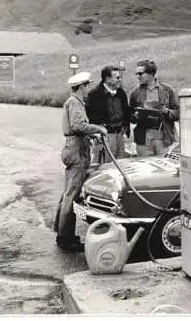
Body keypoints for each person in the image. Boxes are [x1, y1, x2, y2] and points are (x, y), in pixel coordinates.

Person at [53, 72, 109, 252]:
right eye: (87, 86)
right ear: (82, 86)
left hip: (73, 147)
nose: (88, 89)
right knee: (71, 194)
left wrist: (90, 133)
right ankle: (65, 239)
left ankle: (63, 234)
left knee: (67, 193)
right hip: (77, 151)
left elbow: (76, 127)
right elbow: (78, 126)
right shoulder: (75, 103)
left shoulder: (74, 102)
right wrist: (98, 129)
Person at [129, 60, 179, 156]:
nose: (138, 76)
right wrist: (135, 116)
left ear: (151, 73)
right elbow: (130, 116)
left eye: (140, 74)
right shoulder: (135, 93)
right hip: (143, 138)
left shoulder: (168, 90)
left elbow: (178, 113)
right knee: (144, 166)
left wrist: (166, 111)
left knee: (165, 166)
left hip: (163, 136)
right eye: (137, 74)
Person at [86, 65, 130, 163]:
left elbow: (126, 111)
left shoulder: (121, 93)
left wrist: (125, 126)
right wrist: (96, 132)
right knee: (105, 166)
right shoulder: (95, 94)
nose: (120, 80)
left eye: (120, 77)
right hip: (104, 137)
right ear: (108, 79)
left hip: (120, 135)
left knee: (121, 165)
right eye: (117, 77)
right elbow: (89, 117)